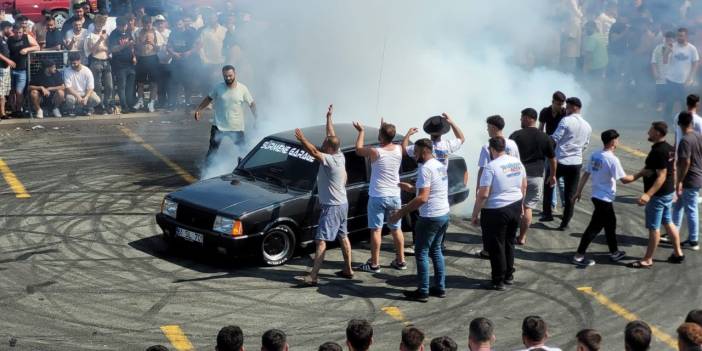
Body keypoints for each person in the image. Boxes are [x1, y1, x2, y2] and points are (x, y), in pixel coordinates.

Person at [293, 105, 353, 285]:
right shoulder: (339, 154)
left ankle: (313, 276)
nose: (323, 144)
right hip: (342, 204)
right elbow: (331, 135)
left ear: (330, 148)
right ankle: (348, 269)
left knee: (320, 241)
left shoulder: (330, 161)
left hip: (332, 207)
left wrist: (303, 138)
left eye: (325, 144)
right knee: (343, 236)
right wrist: (328, 118)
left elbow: (313, 152)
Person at [391, 138, 450, 302]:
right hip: (443, 214)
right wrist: (411, 188)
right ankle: (440, 287)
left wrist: (400, 213)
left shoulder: (425, 169)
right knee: (436, 250)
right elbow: (431, 190)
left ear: (424, 151)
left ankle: (423, 291)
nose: (414, 155)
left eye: (416, 152)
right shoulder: (440, 166)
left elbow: (423, 198)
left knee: (421, 252)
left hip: (430, 216)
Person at [572, 130, 636, 266]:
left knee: (610, 224)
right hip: (604, 199)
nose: (618, 142)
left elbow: (586, 174)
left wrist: (578, 191)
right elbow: (624, 180)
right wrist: (641, 174)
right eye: (617, 139)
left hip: (597, 196)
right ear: (613, 141)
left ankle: (614, 252)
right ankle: (578, 256)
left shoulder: (595, 155)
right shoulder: (612, 159)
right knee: (594, 228)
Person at [471, 137, 526, 291]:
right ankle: (509, 275)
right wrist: (520, 205)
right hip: (515, 205)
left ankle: (498, 280)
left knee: (496, 246)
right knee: (509, 242)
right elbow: (523, 185)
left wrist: (475, 214)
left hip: (496, 210)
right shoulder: (517, 162)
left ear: (491, 149)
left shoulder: (491, 167)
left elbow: (483, 194)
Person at [629, 121, 685, 268]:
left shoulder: (658, 151)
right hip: (667, 192)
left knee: (654, 228)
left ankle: (648, 259)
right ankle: (678, 253)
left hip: (658, 195)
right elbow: (669, 169)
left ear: (658, 133)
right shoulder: (669, 148)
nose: (648, 133)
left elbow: (661, 175)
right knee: (668, 221)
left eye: (651, 131)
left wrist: (648, 194)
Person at [353, 119, 406, 273]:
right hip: (395, 195)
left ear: (381, 136)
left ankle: (374, 264)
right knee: (396, 229)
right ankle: (401, 261)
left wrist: (361, 131)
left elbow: (358, 149)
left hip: (378, 195)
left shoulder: (375, 152)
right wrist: (384, 128)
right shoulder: (398, 149)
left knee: (376, 230)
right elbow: (389, 139)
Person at [509, 108, 556, 245]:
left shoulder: (515, 136)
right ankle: (522, 237)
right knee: (528, 207)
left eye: (522, 117)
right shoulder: (545, 137)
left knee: (514, 206)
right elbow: (553, 159)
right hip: (536, 177)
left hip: (517, 176)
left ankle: (510, 235)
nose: (520, 120)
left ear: (529, 118)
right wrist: (552, 175)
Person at [194, 65, 256, 164]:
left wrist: (257, 118)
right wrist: (199, 110)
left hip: (236, 127)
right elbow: (209, 98)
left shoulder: (243, 89)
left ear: (235, 74)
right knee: (212, 151)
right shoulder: (218, 87)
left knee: (243, 152)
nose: (228, 78)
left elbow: (252, 104)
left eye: (230, 76)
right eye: (225, 76)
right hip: (218, 126)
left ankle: (243, 172)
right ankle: (206, 173)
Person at [546, 97, 592, 230]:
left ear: (574, 108)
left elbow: (555, 138)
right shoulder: (587, 125)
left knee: (549, 184)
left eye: (568, 107)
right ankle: (565, 223)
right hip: (576, 163)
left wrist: (548, 150)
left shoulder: (566, 120)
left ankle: (548, 213)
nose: (565, 109)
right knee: (570, 195)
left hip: (560, 160)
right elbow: (585, 145)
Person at [673, 112, 702, 251]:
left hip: (689, 179)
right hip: (697, 176)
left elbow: (685, 162)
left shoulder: (685, 140)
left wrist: (679, 181)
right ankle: (674, 233)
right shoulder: (698, 136)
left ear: (679, 124)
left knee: (691, 209)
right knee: (678, 206)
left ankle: (693, 240)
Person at [539, 91, 567, 219]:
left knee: (560, 179)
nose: (560, 106)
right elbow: (541, 128)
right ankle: (552, 205)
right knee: (550, 176)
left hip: (560, 148)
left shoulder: (565, 113)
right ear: (553, 102)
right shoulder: (545, 112)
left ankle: (565, 206)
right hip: (549, 147)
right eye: (558, 104)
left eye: (562, 104)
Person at [663, 28, 700, 118]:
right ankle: (667, 121)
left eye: (681, 36)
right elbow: (664, 61)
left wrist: (691, 77)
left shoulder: (692, 49)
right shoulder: (672, 46)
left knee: (684, 102)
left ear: (686, 36)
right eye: (678, 35)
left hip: (684, 80)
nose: (679, 37)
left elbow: (695, 63)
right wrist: (667, 51)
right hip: (671, 79)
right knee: (669, 102)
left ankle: (685, 121)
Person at [167, 14, 198, 109]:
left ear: (183, 24)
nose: (178, 26)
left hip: (188, 62)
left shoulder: (191, 33)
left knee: (187, 82)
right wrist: (173, 53)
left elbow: (198, 45)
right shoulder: (173, 33)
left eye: (180, 24)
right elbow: (168, 46)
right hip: (176, 61)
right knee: (175, 82)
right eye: (177, 24)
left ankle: (187, 101)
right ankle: (175, 102)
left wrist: (189, 52)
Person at [7, 22, 39, 116]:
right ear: (13, 32)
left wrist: (27, 49)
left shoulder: (26, 37)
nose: (18, 34)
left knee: (19, 92)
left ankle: (18, 110)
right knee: (11, 91)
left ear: (23, 31)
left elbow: (37, 47)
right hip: (11, 69)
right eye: (16, 32)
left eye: (20, 32)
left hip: (22, 69)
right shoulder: (9, 39)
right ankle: (13, 110)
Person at [134, 16, 164, 112]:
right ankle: (140, 101)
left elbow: (159, 48)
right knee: (140, 82)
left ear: (151, 23)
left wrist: (152, 43)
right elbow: (135, 47)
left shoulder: (156, 33)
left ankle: (151, 103)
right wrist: (142, 43)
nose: (147, 25)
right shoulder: (138, 32)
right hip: (141, 58)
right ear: (142, 23)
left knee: (153, 83)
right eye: (145, 23)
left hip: (153, 58)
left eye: (149, 23)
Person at [84, 14, 113, 114]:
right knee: (98, 87)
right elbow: (91, 50)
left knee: (109, 86)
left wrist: (104, 48)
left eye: (102, 24)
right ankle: (100, 106)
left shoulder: (107, 36)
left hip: (106, 61)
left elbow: (110, 49)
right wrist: (99, 41)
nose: (100, 26)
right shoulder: (90, 36)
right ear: (94, 24)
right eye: (98, 24)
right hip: (95, 61)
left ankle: (107, 104)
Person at [108, 16, 136, 114]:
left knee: (130, 86)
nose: (124, 28)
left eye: (125, 26)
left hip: (130, 64)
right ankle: (124, 106)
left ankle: (130, 104)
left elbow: (132, 46)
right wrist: (124, 45)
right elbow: (112, 49)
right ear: (117, 26)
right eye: (122, 26)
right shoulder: (113, 34)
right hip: (119, 65)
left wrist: (134, 56)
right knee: (122, 87)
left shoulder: (128, 32)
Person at [63, 51, 101, 116]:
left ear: (79, 61)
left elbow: (91, 87)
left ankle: (87, 108)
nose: (72, 65)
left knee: (96, 100)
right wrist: (77, 96)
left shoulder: (87, 71)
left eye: (74, 63)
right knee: (69, 99)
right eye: (71, 63)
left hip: (85, 93)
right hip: (73, 94)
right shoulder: (67, 71)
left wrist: (86, 97)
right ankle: (73, 110)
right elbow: (68, 87)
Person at [197, 10, 227, 89]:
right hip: (209, 62)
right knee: (208, 84)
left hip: (222, 61)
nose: (212, 19)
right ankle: (209, 101)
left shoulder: (224, 30)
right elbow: (200, 47)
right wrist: (204, 60)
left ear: (217, 18)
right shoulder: (204, 32)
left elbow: (228, 46)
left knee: (221, 83)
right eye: (210, 18)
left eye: (213, 17)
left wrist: (226, 59)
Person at [651, 31, 675, 113]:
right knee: (660, 92)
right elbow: (653, 61)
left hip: (673, 76)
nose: (668, 41)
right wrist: (655, 72)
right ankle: (660, 107)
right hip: (661, 75)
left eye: (670, 40)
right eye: (666, 39)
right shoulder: (658, 48)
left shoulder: (677, 49)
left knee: (671, 94)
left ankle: (670, 109)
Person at [0, 21, 15, 120]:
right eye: (10, 29)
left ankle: (2, 113)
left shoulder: (4, 38)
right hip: (1, 68)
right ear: (5, 28)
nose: (11, 31)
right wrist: (8, 60)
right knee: (0, 92)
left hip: (5, 69)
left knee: (4, 92)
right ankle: (2, 113)